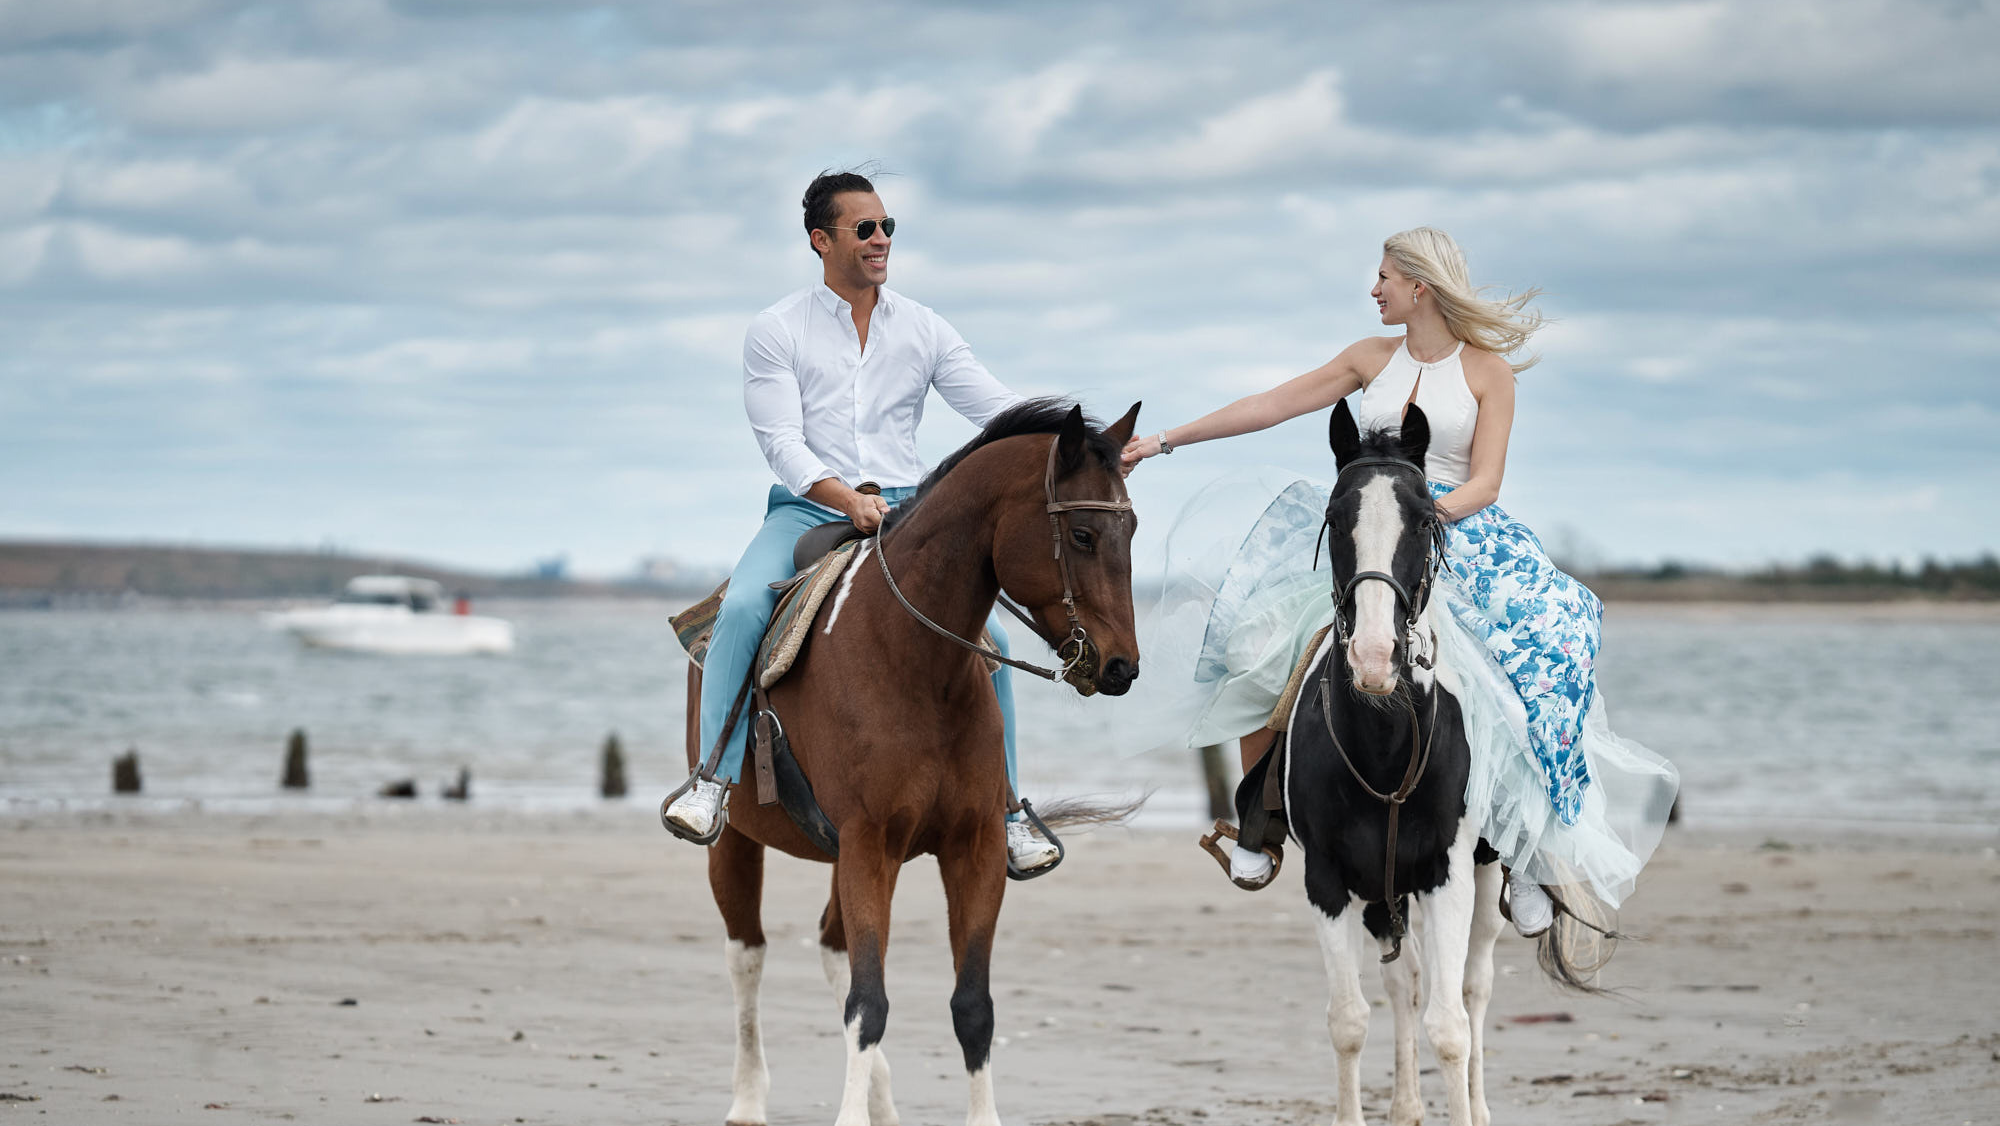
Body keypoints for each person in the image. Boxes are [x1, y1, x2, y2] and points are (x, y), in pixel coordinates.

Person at [1119, 227, 1678, 936]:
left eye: (1383, 276)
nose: (1373, 289)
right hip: (1367, 531)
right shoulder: (1367, 359)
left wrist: (1419, 518)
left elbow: (1487, 480)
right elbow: (1271, 404)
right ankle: (1257, 824)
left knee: (1541, 658)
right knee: (1254, 640)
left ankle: (1527, 855)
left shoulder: (1487, 372)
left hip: (1450, 528)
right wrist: (1166, 440)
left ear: (1420, 286)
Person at [664, 170, 1060, 874]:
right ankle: (712, 780)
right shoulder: (776, 328)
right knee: (745, 606)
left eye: (888, 228)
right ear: (822, 241)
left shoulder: (924, 325)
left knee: (991, 639)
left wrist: (1083, 440)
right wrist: (845, 498)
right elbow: (781, 440)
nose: (881, 241)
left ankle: (1008, 810)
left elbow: (997, 408)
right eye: (864, 229)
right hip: (808, 509)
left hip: (909, 513)